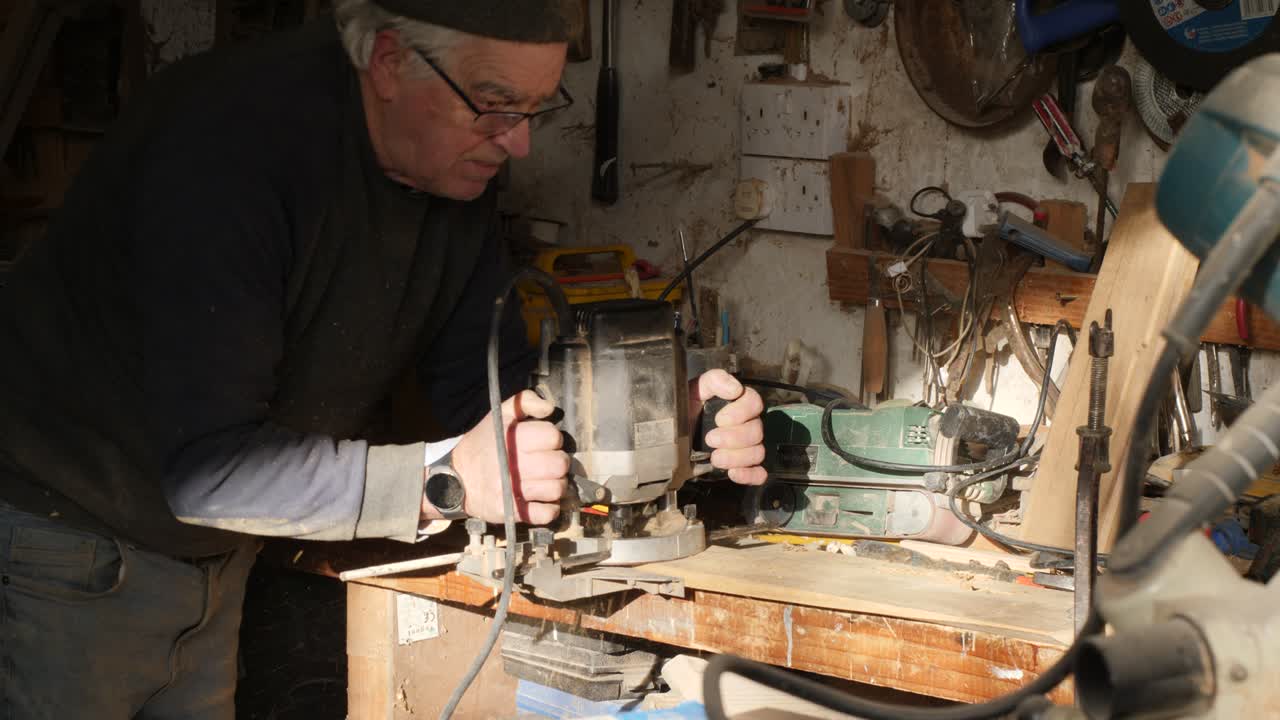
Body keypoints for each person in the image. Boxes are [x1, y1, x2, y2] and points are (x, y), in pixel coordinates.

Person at [0, 1, 767, 717]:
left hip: (214, 558)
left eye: (537, 109)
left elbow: (487, 392)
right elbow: (210, 469)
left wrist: (658, 414)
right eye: (495, 104)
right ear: (391, 63)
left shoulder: (452, 167)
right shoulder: (226, 148)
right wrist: (447, 481)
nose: (520, 141)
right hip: (61, 543)